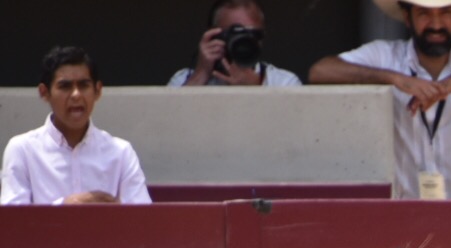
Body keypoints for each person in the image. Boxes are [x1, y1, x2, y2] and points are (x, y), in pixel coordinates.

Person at [310, 0, 451, 200]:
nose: (436, 24)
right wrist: (396, 79)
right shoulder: (385, 56)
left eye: (445, 13)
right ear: (407, 17)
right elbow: (320, 71)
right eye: (424, 13)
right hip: (402, 208)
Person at [2, 46, 150, 206]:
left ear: (97, 91)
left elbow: (142, 221)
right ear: (44, 93)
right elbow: (12, 223)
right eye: (65, 86)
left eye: (84, 85)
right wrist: (65, 206)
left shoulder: (121, 153)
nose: (76, 95)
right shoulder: (23, 150)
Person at [168, 0, 302, 87]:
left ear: (262, 38)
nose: (241, 41)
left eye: (251, 34)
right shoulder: (182, 80)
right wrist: (201, 74)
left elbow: (291, 128)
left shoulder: (284, 83)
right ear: (212, 35)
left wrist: (255, 89)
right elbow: (166, 123)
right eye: (232, 34)